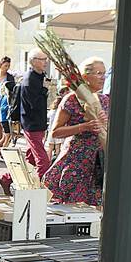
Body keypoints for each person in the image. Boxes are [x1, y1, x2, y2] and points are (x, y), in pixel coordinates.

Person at [44, 58, 109, 205]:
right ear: (85, 77)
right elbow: (55, 132)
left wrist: (105, 123)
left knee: (95, 207)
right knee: (72, 206)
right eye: (98, 73)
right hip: (76, 161)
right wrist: (83, 127)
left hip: (97, 162)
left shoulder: (104, 100)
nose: (103, 77)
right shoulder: (72, 99)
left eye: (104, 73)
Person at [0, 49, 52, 193]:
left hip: (38, 123)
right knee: (43, 161)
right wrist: (45, 90)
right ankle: (34, 190)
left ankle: (6, 178)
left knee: (30, 159)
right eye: (43, 59)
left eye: (46, 59)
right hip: (32, 124)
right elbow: (34, 104)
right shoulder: (30, 79)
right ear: (34, 61)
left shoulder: (39, 76)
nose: (46, 62)